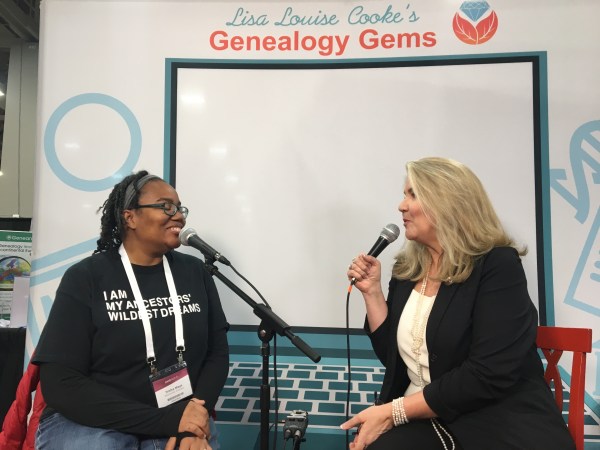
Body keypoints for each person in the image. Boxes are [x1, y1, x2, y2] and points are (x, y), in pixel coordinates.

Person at [341, 157, 574, 450]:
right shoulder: (407, 269)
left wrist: (394, 412)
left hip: (494, 421)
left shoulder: (498, 265)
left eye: (413, 195)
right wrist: (372, 293)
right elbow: (395, 360)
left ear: (447, 203)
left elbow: (488, 374)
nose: (401, 206)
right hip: (424, 416)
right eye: (404, 195)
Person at [33, 170, 230, 450]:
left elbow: (217, 354)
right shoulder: (86, 277)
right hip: (92, 420)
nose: (179, 216)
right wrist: (168, 421)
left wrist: (194, 417)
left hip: (178, 412)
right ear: (130, 217)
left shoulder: (195, 272)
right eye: (166, 207)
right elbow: (60, 382)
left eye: (180, 208)